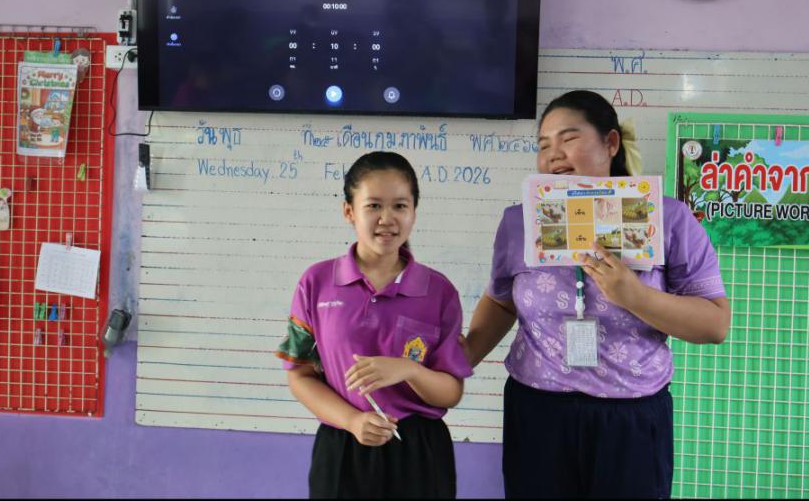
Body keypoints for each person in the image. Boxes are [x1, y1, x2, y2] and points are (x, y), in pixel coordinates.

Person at [463, 90, 730, 499]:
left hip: (631, 416)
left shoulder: (668, 218)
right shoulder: (519, 223)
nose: (553, 154)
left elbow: (715, 324)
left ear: (611, 143)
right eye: (543, 145)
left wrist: (635, 296)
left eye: (568, 138)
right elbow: (501, 300)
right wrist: (456, 362)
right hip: (537, 410)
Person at [276, 151, 472, 499]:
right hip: (343, 445)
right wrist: (352, 421)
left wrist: (408, 369)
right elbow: (299, 374)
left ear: (414, 212)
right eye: (373, 206)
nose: (387, 218)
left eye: (400, 206)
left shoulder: (439, 291)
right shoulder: (315, 283)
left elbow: (451, 392)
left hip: (418, 451)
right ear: (349, 211)